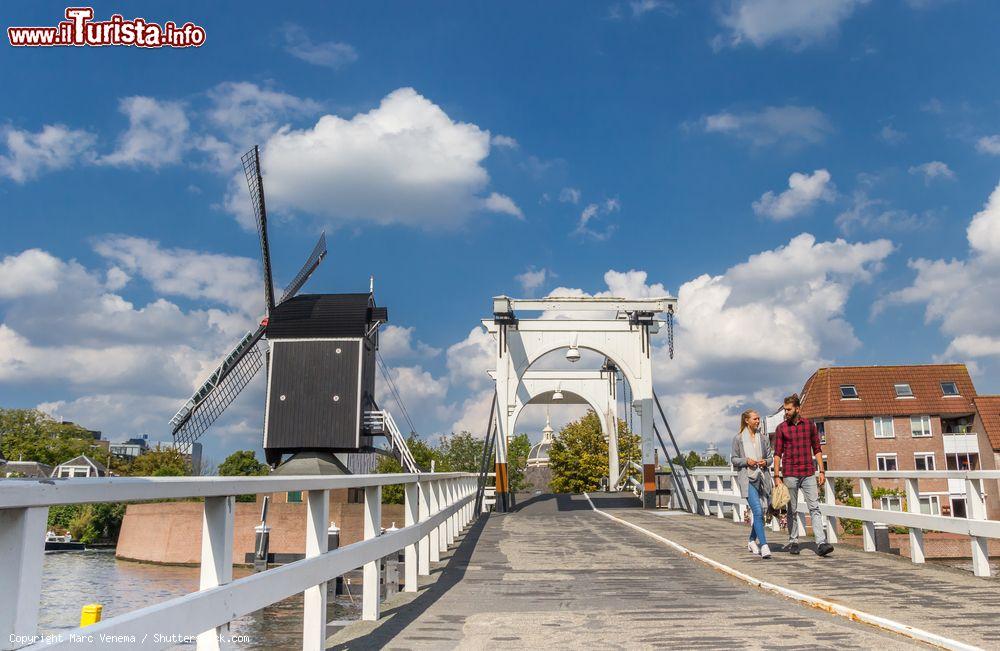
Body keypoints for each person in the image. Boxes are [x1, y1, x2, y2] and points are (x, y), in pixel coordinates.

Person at [773, 393, 833, 557]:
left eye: (789, 409)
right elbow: (777, 454)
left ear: (798, 409)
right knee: (792, 509)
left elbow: (817, 449)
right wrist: (777, 476)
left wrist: (821, 470)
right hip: (790, 473)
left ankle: (821, 543)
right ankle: (793, 541)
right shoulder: (781, 428)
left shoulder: (809, 426)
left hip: (808, 473)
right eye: (785, 409)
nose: (786, 412)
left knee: (814, 507)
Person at [731, 409, 773, 558]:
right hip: (747, 478)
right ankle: (764, 545)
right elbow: (734, 459)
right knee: (757, 510)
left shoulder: (763, 438)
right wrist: (746, 461)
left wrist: (765, 462)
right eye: (755, 419)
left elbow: (770, 458)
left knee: (761, 512)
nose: (758, 421)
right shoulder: (738, 439)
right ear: (747, 420)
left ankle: (751, 540)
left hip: (762, 478)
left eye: (758, 419)